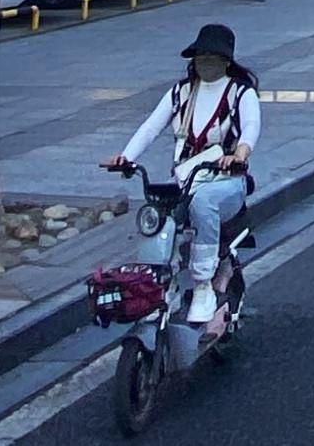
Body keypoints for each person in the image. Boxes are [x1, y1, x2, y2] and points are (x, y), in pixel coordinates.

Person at [104, 21, 260, 325]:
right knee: (156, 215)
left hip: (226, 183)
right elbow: (150, 127)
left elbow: (251, 127)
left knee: (203, 204)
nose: (204, 63)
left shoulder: (241, 93)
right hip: (185, 182)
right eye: (199, 57)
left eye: (211, 58)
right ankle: (161, 283)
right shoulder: (180, 92)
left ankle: (202, 286)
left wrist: (239, 154)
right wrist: (126, 157)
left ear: (226, 61)